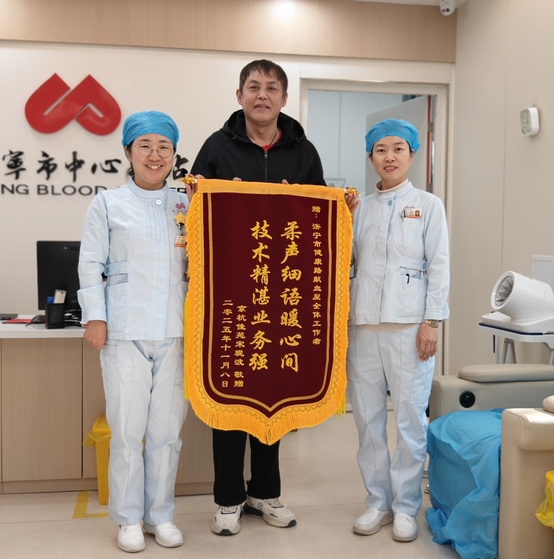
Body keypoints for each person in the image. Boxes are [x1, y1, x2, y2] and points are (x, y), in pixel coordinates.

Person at [189, 59, 328, 536]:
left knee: (275, 392)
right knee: (229, 395)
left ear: (284, 99)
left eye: (271, 88)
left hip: (282, 293)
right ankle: (228, 499)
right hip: (229, 294)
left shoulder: (303, 150)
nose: (262, 95)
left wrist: (330, 206)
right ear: (239, 95)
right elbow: (191, 209)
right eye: (253, 87)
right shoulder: (216, 146)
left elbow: (320, 220)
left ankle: (265, 493)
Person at [78, 111, 190, 553]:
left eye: (164, 147)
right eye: (145, 146)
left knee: (167, 432)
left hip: (177, 333)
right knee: (127, 431)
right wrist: (95, 316)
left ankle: (160, 515)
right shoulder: (108, 203)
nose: (155, 155)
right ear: (128, 152)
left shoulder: (188, 204)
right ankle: (127, 518)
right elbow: (91, 263)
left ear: (174, 155)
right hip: (125, 332)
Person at [345, 118, 449, 543]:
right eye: (381, 150)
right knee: (367, 420)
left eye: (398, 149)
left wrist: (432, 322)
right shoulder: (359, 208)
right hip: (363, 327)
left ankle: (406, 506)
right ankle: (377, 502)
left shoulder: (428, 205)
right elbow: (343, 261)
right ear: (371, 157)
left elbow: (439, 265)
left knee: (409, 419)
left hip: (410, 329)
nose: (389, 157)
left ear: (412, 154)